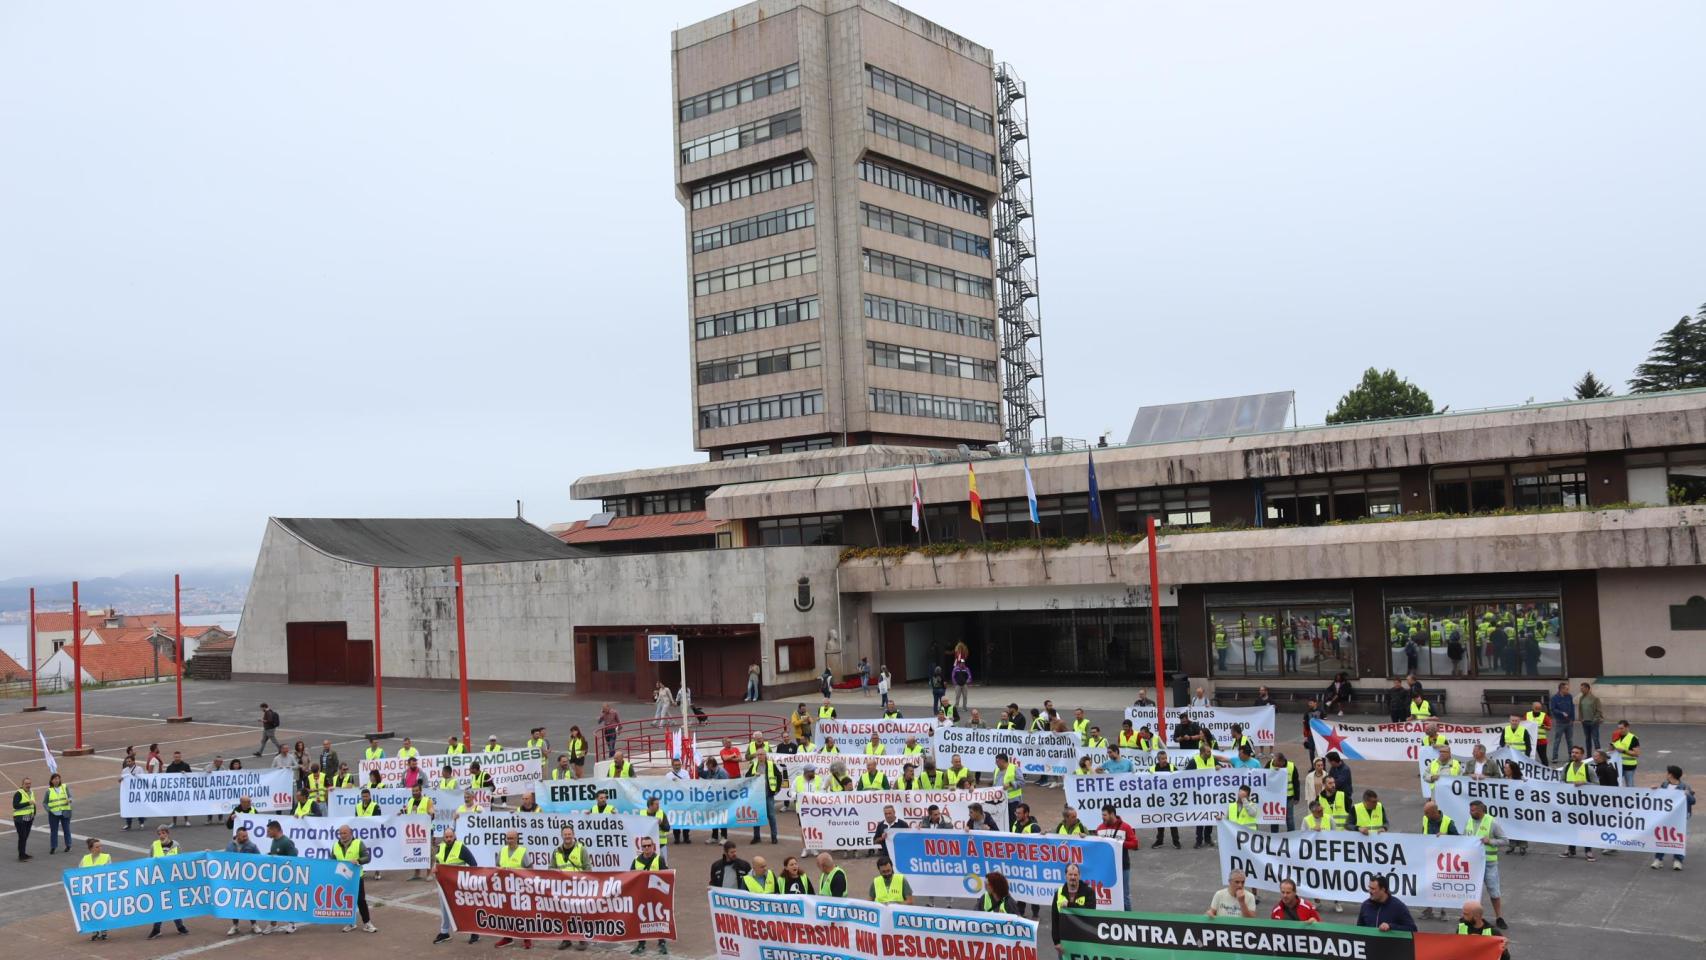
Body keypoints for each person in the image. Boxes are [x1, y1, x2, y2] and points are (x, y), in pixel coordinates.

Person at [431, 825, 479, 945]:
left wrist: (466, 880)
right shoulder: (441, 847)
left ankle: (474, 932)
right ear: (443, 838)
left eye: (450, 836)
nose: (448, 839)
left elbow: (473, 864)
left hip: (458, 885)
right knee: (444, 908)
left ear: (455, 836)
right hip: (443, 884)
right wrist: (434, 867)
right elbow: (438, 862)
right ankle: (444, 932)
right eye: (446, 837)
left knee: (465, 908)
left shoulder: (461, 848)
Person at [1464, 799, 1508, 929]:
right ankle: (1473, 917)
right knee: (1473, 892)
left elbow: (1505, 841)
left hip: (1489, 863)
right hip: (1473, 864)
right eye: (1470, 810)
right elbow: (1463, 838)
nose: (1471, 812)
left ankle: (1499, 917)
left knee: (1494, 891)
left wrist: (1490, 841)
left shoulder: (1492, 822)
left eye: (1473, 810)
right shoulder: (1469, 822)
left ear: (1481, 810)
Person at [145, 827, 191, 939]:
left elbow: (181, 860)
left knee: (173, 902)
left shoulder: (176, 845)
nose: (161, 835)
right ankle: (157, 929)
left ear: (168, 833)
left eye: (163, 833)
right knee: (161, 904)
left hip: (172, 879)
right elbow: (149, 861)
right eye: (159, 833)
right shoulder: (154, 845)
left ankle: (179, 926)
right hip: (159, 879)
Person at [332, 824, 378, 933]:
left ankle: (367, 923)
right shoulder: (335, 845)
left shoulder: (358, 843)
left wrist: (358, 860)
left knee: (360, 900)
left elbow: (367, 857)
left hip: (356, 877)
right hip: (342, 877)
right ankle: (351, 923)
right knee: (346, 901)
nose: (342, 835)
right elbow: (332, 860)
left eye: (344, 833)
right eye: (340, 833)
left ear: (350, 833)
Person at [223, 827, 267, 937]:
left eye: (246, 836)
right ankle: (235, 925)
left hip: (248, 879)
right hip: (234, 879)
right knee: (234, 902)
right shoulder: (230, 846)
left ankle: (254, 924)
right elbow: (223, 859)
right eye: (243, 836)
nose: (246, 838)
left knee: (249, 901)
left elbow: (260, 860)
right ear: (237, 836)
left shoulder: (251, 846)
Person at [629, 837, 669, 955]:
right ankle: (641, 943)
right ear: (641, 848)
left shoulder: (659, 859)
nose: (646, 848)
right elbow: (630, 876)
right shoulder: (636, 861)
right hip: (641, 895)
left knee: (659, 918)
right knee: (640, 919)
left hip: (656, 895)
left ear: (653, 846)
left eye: (648, 845)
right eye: (644, 846)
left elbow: (666, 877)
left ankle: (662, 942)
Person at [1652, 764, 1694, 871]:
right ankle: (1658, 859)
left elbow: (1693, 801)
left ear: (1671, 775)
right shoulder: (1664, 785)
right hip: (1665, 816)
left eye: (1667, 773)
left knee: (1678, 837)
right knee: (1662, 836)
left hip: (1679, 817)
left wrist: (1687, 795)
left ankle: (1678, 860)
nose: (1666, 774)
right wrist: (1655, 790)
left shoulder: (1685, 786)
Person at [1559, 745, 1598, 861]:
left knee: (1585, 827)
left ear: (1582, 755)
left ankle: (1588, 850)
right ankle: (1571, 849)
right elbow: (1561, 782)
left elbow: (1597, 784)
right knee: (1571, 827)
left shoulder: (1588, 769)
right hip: (1570, 803)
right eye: (1572, 752)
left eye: (1576, 753)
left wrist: (1584, 783)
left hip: (1584, 804)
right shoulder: (1566, 767)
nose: (1574, 754)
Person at [1096, 804, 1138, 910]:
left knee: (1125, 895)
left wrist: (1120, 843)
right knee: (1110, 894)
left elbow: (1135, 844)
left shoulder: (1126, 827)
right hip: (1107, 868)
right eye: (1102, 815)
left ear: (1112, 814)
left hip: (1123, 866)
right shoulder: (1100, 828)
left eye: (1105, 815)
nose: (1102, 817)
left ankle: (1128, 920)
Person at [1051, 862, 1095, 952]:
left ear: (1079, 876)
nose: (1073, 877)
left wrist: (1070, 905)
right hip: (1065, 941)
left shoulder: (1088, 892)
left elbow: (1090, 912)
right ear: (1065, 876)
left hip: (1083, 940)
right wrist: (1056, 942)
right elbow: (1054, 919)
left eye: (1075, 875)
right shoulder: (1058, 893)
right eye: (1070, 874)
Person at [750, 745, 780, 845]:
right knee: (756, 817)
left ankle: (774, 837)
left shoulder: (771, 764)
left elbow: (779, 776)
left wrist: (777, 789)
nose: (760, 756)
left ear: (765, 755)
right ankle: (756, 837)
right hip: (757, 796)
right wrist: (754, 775)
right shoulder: (754, 765)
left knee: (771, 816)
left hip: (768, 794)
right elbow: (747, 776)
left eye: (761, 754)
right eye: (758, 755)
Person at [1549, 682, 1576, 759]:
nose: (1568, 690)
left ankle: (1571, 756)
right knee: (1557, 740)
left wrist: (1573, 719)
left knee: (1570, 740)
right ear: (1562, 689)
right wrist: (1561, 713)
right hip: (1560, 722)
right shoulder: (1554, 698)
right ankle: (1555, 757)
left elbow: (1572, 707)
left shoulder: (1569, 696)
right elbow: (1553, 709)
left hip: (1569, 722)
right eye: (1566, 689)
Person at [1611, 720, 1641, 786]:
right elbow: (1611, 749)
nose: (1620, 730)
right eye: (1618, 728)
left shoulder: (1633, 738)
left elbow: (1637, 753)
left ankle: (1632, 796)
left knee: (1629, 785)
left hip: (1629, 766)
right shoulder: (1616, 736)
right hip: (1618, 765)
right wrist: (1612, 743)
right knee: (1616, 783)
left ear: (1627, 727)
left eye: (1621, 728)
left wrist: (1624, 751)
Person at [12, 776, 35, 861]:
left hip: (29, 818)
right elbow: (15, 805)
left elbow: (33, 804)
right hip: (20, 819)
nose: (28, 785)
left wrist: (34, 813)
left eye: (29, 783)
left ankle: (23, 853)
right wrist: (28, 803)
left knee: (25, 837)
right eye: (26, 783)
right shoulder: (18, 793)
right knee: (22, 836)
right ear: (22, 784)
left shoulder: (31, 792)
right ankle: (21, 855)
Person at [1578, 682, 1603, 752]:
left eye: (1582, 689)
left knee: (1595, 739)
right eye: (1581, 688)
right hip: (1585, 722)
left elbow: (1599, 710)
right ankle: (1589, 755)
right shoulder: (1581, 698)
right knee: (1587, 739)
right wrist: (1581, 718)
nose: (1581, 690)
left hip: (1593, 722)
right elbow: (1580, 708)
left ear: (1587, 688)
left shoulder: (1595, 698)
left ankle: (1599, 755)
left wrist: (1595, 720)